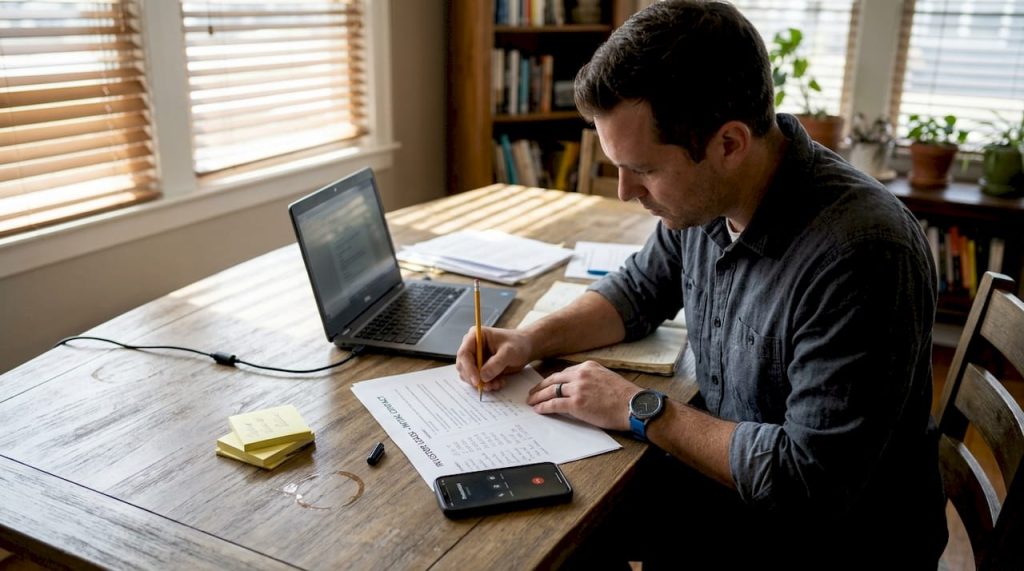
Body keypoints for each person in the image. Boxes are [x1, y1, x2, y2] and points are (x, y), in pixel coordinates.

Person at [455, 0, 946, 568]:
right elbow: (639, 290)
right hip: (732, 491)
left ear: (729, 144)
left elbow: (807, 482)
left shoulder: (862, 256)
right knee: (540, 520)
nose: (623, 192)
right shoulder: (708, 198)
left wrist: (639, 407)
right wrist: (530, 339)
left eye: (642, 169)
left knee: (560, 538)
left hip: (825, 542)